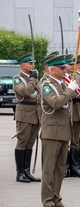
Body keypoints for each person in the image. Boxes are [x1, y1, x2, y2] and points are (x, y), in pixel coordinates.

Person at [40, 55, 76, 207]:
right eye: (61, 68)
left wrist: (71, 90)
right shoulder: (47, 85)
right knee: (49, 169)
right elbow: (56, 102)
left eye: (64, 67)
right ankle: (48, 202)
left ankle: (57, 199)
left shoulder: (61, 83)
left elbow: (67, 100)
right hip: (52, 131)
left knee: (60, 168)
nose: (65, 70)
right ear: (51, 70)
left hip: (63, 131)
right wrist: (69, 91)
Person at [12, 52, 41, 183]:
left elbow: (39, 91)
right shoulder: (18, 78)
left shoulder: (32, 77)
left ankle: (27, 170)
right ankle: (20, 172)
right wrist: (33, 80)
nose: (32, 65)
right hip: (24, 111)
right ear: (23, 65)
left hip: (35, 112)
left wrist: (35, 80)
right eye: (30, 63)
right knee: (23, 141)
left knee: (30, 142)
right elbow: (25, 92)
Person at [63, 54, 80, 178]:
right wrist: (72, 96)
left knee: (76, 141)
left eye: (73, 64)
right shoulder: (61, 79)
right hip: (68, 111)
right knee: (67, 140)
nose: (72, 66)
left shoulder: (74, 78)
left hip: (77, 111)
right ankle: (65, 167)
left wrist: (79, 97)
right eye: (70, 64)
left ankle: (74, 166)